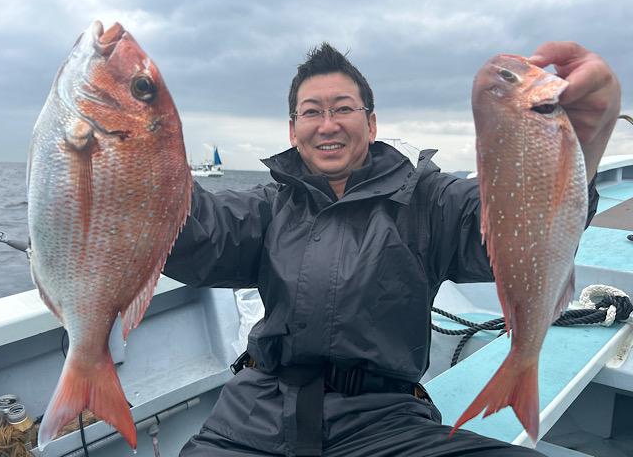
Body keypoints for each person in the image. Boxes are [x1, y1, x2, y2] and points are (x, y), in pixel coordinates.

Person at [163, 41, 621, 456]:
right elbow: (196, 236)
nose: (328, 125)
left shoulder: (431, 200)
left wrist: (585, 140)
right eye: (311, 112)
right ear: (292, 129)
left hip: (386, 424)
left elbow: (521, 224)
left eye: (343, 108)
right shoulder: (266, 207)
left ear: (371, 123)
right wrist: (143, 163)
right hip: (252, 419)